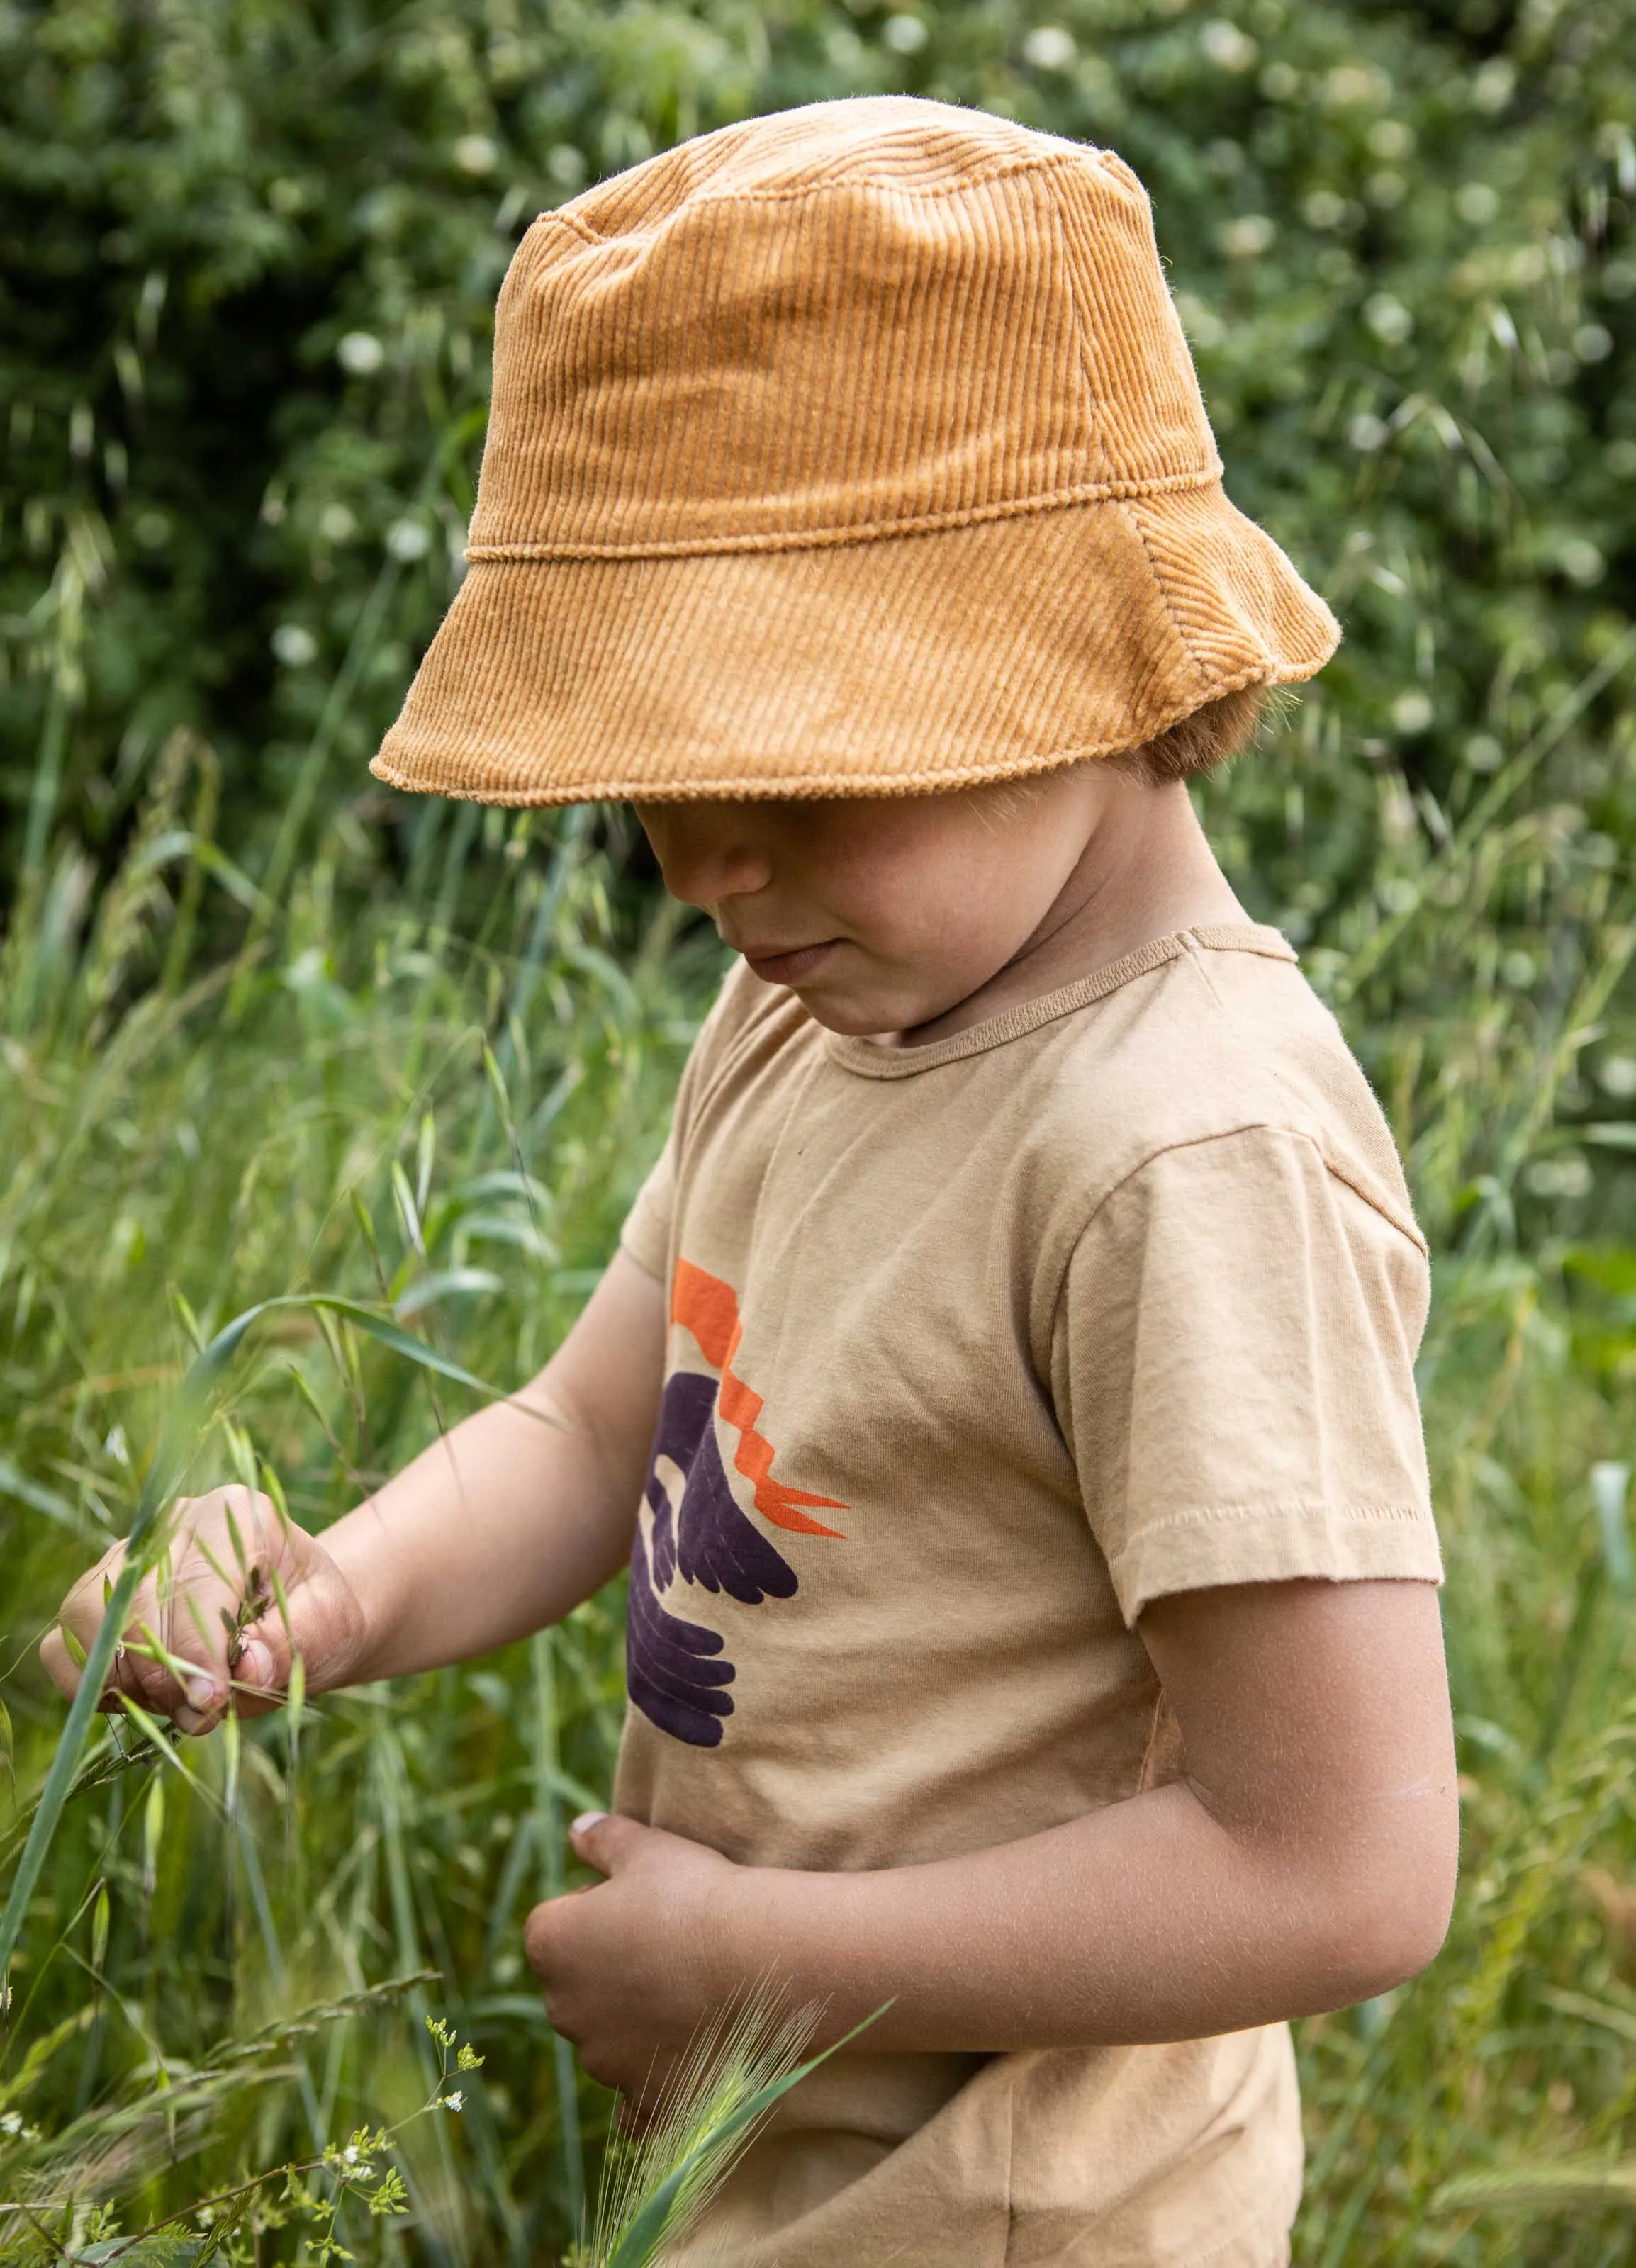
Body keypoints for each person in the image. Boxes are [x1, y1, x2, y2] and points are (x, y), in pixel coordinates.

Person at [45, 97, 1457, 2267]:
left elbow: (1337, 1865)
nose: (706, 868)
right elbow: (599, 1429)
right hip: (771, 2176)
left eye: (792, 763)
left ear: (1081, 651)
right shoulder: (817, 1008)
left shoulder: (1187, 1151)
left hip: (1026, 2216)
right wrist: (332, 1597)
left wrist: (761, 1966)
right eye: (655, 779)